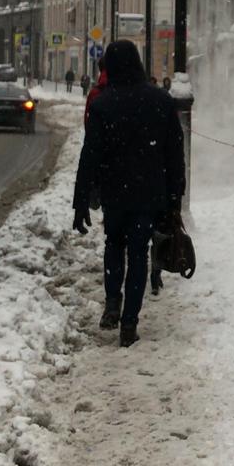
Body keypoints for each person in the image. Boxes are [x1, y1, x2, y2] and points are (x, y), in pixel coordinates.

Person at [72, 40, 185, 347]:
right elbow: (174, 154)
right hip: (149, 193)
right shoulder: (161, 101)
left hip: (115, 192)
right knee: (138, 255)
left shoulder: (103, 105)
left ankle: (112, 301)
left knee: (113, 244)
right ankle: (129, 322)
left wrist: (81, 200)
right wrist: (176, 197)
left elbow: (90, 156)